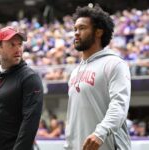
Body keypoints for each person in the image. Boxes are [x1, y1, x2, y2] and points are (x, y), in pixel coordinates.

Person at [64, 4, 131, 150]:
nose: (76, 33)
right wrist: (68, 145)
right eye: (75, 29)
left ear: (99, 32)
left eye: (82, 28)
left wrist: (100, 133)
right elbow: (73, 116)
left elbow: (119, 104)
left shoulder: (114, 63)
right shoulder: (75, 72)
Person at [0, 26, 43, 150]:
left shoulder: (29, 78)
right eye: (12, 45)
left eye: (20, 44)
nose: (18, 49)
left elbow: (30, 123)